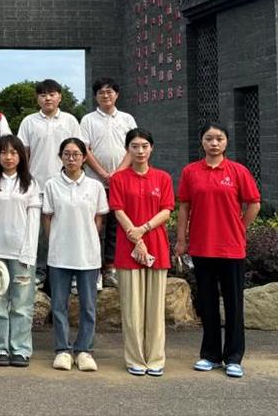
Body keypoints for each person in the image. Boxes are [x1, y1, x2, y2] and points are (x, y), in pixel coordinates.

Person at [176, 123, 261, 379]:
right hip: (202, 246)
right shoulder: (191, 171)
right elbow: (184, 207)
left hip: (231, 248)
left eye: (219, 139)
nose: (214, 143)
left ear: (226, 142)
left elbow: (254, 203)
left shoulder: (238, 171)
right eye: (209, 138)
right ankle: (210, 355)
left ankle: (233, 357)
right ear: (201, 142)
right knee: (207, 303)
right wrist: (181, 239)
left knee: (234, 304)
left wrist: (239, 227)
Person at [108, 128, 175, 376]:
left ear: (151, 148)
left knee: (155, 309)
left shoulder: (162, 178)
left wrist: (143, 229)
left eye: (144, 146)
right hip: (128, 249)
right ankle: (135, 358)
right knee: (132, 308)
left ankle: (155, 358)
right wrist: (134, 235)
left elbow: (167, 210)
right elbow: (118, 210)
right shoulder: (119, 179)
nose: (140, 151)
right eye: (134, 146)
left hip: (156, 246)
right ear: (127, 149)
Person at [42, 137, 108, 372]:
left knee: (88, 305)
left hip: (87, 255)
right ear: (60, 157)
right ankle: (62, 349)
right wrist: (55, 240)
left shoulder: (94, 186)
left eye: (76, 154)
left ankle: (84, 350)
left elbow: (98, 218)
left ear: (84, 158)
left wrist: (87, 238)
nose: (71, 159)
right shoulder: (52, 185)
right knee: (59, 305)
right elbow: (47, 217)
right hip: (60, 254)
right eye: (67, 154)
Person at [0, 135, 41, 368]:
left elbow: (33, 221)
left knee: (22, 304)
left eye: (14, 152)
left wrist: (28, 252)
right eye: (4, 152)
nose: (9, 157)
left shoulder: (30, 184)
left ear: (21, 156)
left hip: (21, 254)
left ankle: (20, 349)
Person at [16, 79, 82, 284]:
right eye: (43, 95)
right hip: (36, 184)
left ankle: (69, 272)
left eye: (52, 94)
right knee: (37, 232)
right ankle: (40, 271)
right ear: (37, 98)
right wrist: (23, 180)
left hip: (64, 183)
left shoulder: (70, 120)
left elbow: (79, 151)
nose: (47, 98)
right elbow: (23, 153)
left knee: (66, 227)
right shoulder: (29, 122)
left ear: (60, 97)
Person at [80, 77, 136, 289]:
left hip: (121, 183)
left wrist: (117, 174)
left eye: (110, 91)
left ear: (117, 94)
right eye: (101, 92)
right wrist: (104, 174)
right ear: (96, 96)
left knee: (115, 226)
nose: (106, 95)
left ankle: (110, 268)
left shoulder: (127, 118)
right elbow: (85, 150)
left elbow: (134, 146)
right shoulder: (88, 120)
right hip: (95, 183)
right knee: (95, 226)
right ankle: (93, 268)